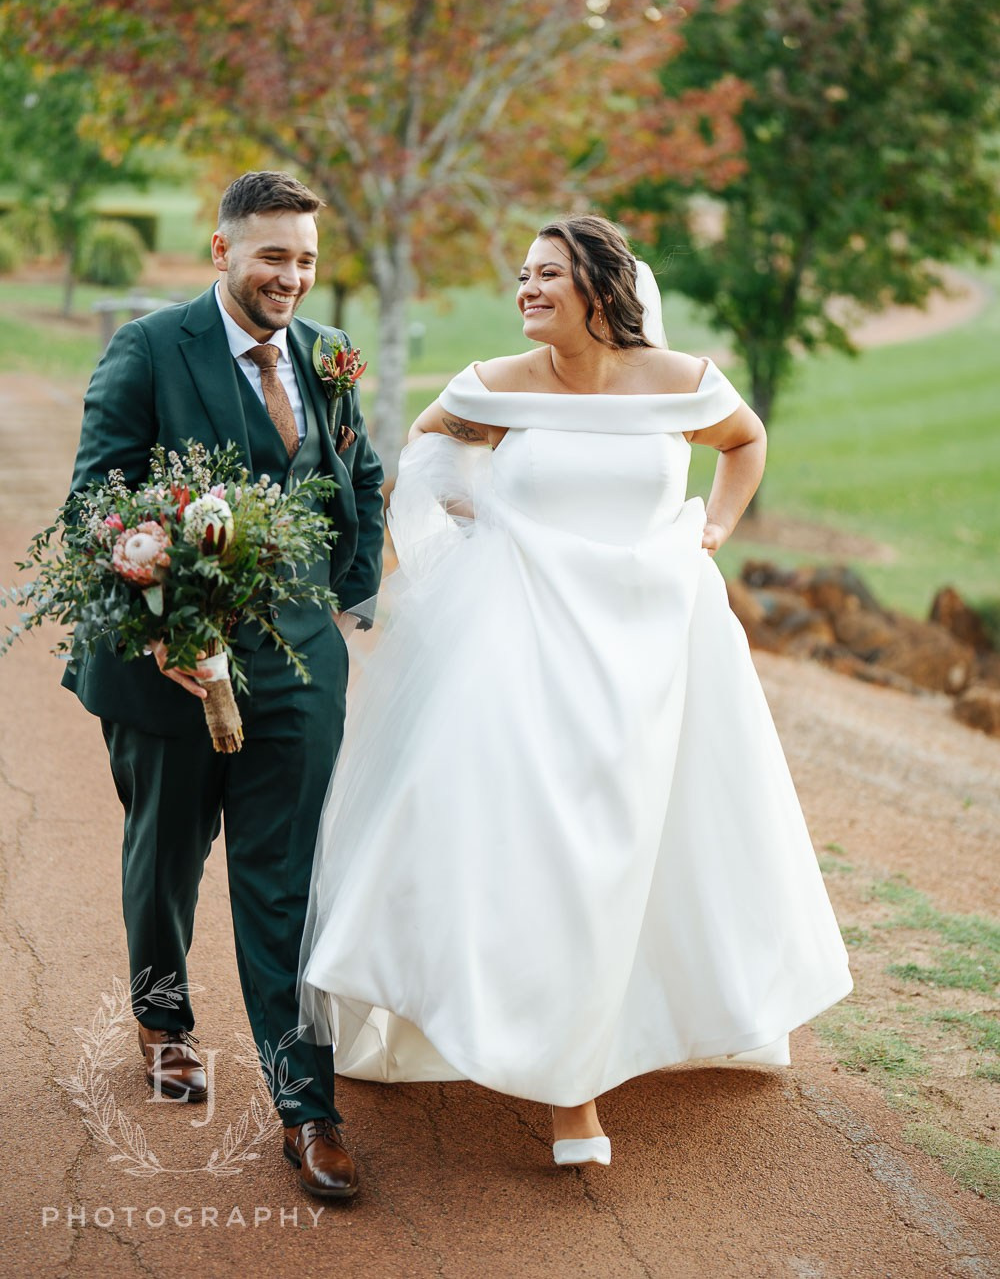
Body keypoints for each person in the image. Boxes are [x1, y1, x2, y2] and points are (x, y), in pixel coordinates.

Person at [301, 212, 851, 1169]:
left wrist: (710, 533)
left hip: (653, 643)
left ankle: (627, 1030)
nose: (526, 290)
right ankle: (572, 1095)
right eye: (522, 275)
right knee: (545, 844)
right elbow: (421, 455)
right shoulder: (497, 386)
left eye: (547, 274)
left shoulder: (680, 382)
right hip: (523, 639)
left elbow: (746, 442)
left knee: (640, 845)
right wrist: (480, 520)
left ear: (601, 286)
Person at [64, 170, 383, 1199]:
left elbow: (360, 476)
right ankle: (163, 1020)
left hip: (297, 672)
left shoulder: (328, 355)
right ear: (221, 252)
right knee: (165, 859)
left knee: (282, 882)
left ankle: (306, 1106)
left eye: (305, 259)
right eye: (271, 257)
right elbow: (94, 504)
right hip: (167, 671)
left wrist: (340, 598)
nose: (290, 276)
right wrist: (163, 625)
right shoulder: (151, 350)